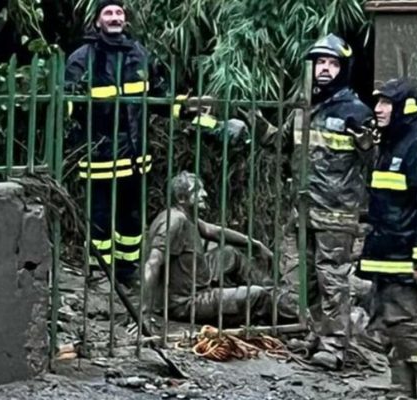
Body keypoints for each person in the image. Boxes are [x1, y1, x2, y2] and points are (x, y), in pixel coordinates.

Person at [64, 0, 210, 283]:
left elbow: (158, 99)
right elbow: (70, 105)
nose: (115, 17)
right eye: (108, 12)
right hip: (100, 160)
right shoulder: (82, 59)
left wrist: (186, 108)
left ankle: (127, 272)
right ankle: (98, 273)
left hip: (135, 159)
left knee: (131, 222)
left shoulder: (140, 55)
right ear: (97, 22)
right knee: (100, 221)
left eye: (119, 12)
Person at [358, 78, 417, 399]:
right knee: (390, 326)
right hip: (387, 253)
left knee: (406, 325)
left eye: (386, 103)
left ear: (405, 108)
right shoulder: (390, 144)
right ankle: (402, 391)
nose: (378, 109)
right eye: (378, 102)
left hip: (406, 256)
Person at [291, 33, 375, 369]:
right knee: (310, 277)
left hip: (337, 212)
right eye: (320, 63)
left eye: (332, 64)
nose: (325, 69)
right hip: (306, 209)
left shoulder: (356, 112)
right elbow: (277, 141)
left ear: (343, 69)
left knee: (333, 278)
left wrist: (369, 144)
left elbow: (375, 161)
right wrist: (242, 122)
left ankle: (334, 345)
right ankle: (317, 333)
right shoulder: (305, 109)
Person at [142, 171, 297, 326]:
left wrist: (255, 244)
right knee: (257, 295)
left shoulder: (187, 216)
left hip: (193, 276)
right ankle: (293, 314)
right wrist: (143, 314)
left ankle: (276, 292)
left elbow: (214, 231)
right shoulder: (174, 222)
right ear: (181, 198)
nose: (205, 194)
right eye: (196, 190)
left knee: (230, 254)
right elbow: (152, 263)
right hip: (186, 302)